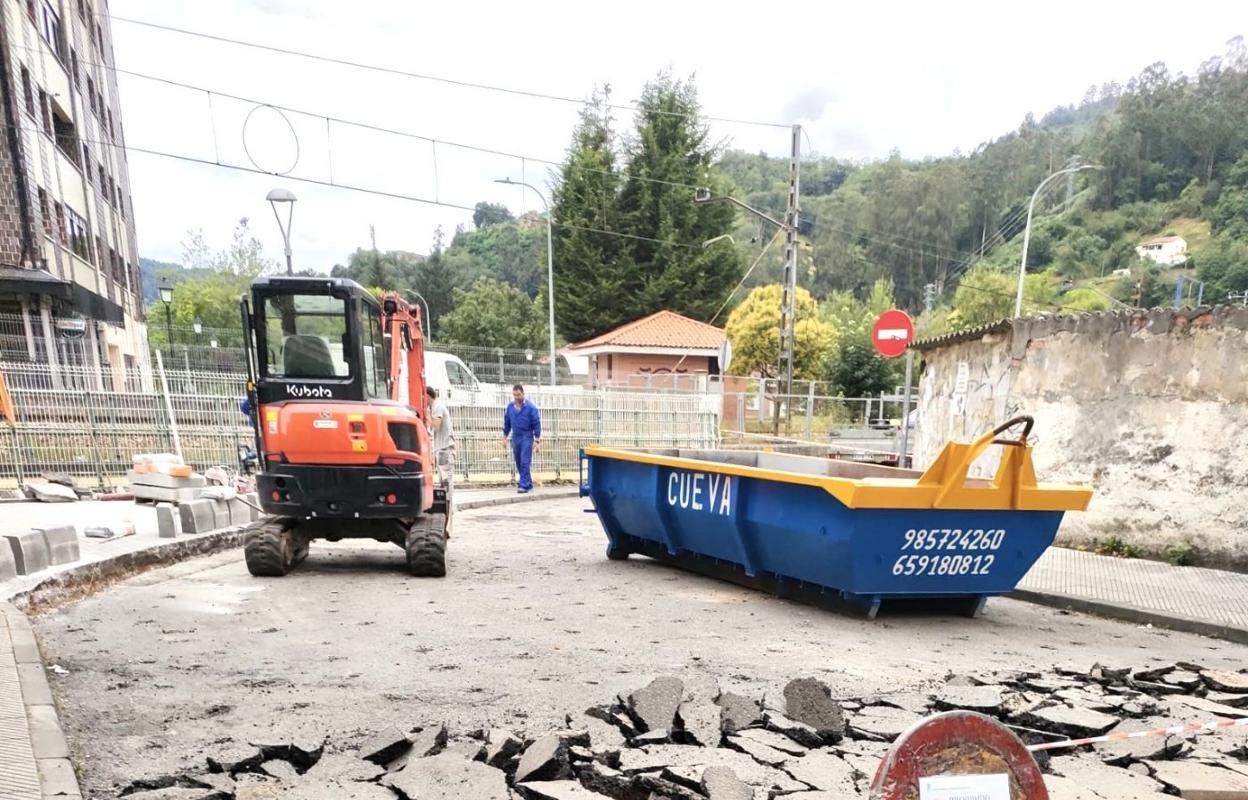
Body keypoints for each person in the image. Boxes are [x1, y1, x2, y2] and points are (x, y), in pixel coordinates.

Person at [502, 384, 541, 493]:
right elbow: (507, 423)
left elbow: (536, 423)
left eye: (518, 395)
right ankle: (528, 483)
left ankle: (523, 484)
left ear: (523, 394)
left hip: (526, 436)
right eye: (514, 395)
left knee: (525, 460)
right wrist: (505, 436)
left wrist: (537, 440)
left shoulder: (530, 408)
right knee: (518, 461)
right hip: (516, 436)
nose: (516, 398)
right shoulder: (510, 407)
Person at [426, 386, 455, 487]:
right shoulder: (433, 407)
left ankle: (448, 501)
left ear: (427, 396)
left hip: (444, 448)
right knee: (444, 479)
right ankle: (448, 501)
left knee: (445, 479)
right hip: (441, 448)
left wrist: (427, 417)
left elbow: (436, 426)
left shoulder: (438, 407)